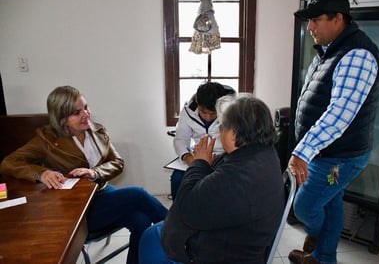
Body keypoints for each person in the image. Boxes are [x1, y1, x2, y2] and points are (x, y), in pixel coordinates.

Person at [0, 85, 168, 264]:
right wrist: (41, 173)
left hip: (102, 193)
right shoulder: (46, 140)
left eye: (86, 107)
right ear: (62, 117)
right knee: (137, 194)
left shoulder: (97, 131)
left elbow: (118, 163)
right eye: (77, 112)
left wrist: (95, 172)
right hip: (77, 209)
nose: (86, 114)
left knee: (140, 221)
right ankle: (180, 229)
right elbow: (8, 163)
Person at [287, 0, 379, 264]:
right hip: (327, 153)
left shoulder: (358, 55)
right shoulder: (329, 51)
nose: (310, 27)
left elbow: (339, 114)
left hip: (338, 157)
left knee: (304, 207)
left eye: (316, 19)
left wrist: (301, 152)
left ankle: (317, 239)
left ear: (338, 18)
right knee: (331, 201)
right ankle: (323, 258)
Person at [139, 94, 285, 264]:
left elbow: (185, 207)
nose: (219, 131)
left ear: (233, 134)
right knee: (154, 231)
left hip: (220, 253)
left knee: (150, 241)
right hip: (237, 237)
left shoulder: (238, 176)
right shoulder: (264, 153)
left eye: (221, 126)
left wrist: (199, 162)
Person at [170, 81, 235, 199]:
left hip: (225, 157)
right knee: (177, 179)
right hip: (198, 156)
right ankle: (179, 214)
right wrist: (189, 159)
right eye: (203, 112)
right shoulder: (187, 111)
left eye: (213, 113)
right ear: (197, 102)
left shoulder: (232, 111)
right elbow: (180, 139)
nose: (208, 117)